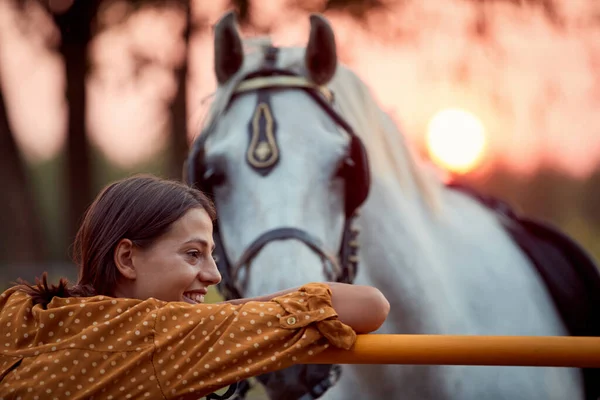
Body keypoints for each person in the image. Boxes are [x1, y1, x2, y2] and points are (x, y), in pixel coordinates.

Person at [0, 174, 390, 399]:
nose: (214, 275)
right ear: (126, 259)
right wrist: (222, 315)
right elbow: (367, 305)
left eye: (212, 255)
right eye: (192, 254)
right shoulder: (161, 335)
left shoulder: (18, 309)